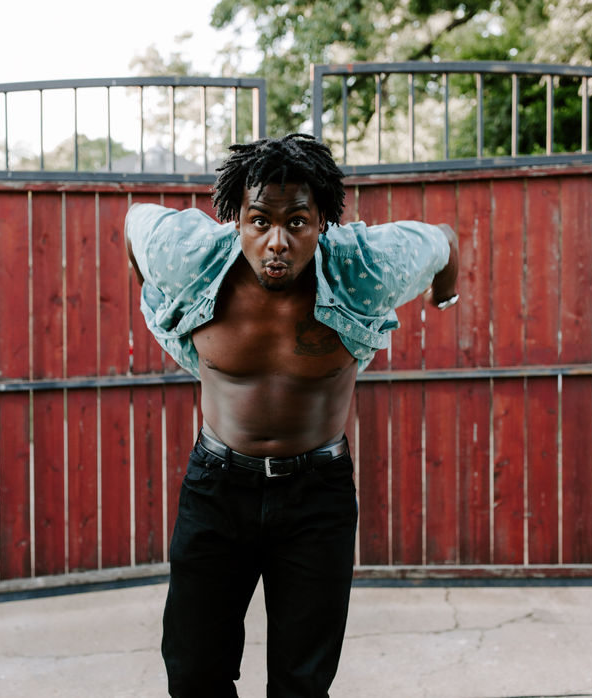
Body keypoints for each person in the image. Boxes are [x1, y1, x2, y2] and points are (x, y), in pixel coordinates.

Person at [125, 133, 459, 697]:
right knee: (192, 672)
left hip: (316, 496)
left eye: (297, 223)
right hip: (217, 488)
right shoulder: (187, 257)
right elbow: (135, 225)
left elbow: (444, 240)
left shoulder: (369, 264)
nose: (276, 242)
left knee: (302, 684)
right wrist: (157, 291)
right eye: (259, 221)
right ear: (236, 220)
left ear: (323, 221)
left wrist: (443, 294)